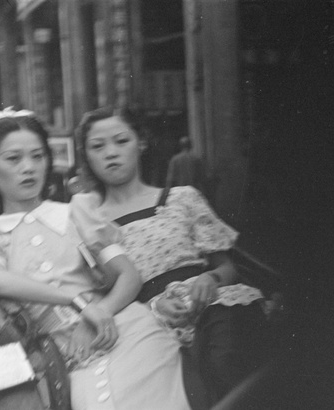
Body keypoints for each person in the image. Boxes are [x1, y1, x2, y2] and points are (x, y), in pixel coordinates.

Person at [0, 108, 193, 410]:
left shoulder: (78, 212)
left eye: (37, 157)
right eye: (13, 159)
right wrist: (76, 300)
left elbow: (128, 275)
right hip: (50, 352)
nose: (29, 168)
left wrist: (101, 310)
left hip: (121, 328)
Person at [75, 107, 273, 403]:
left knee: (225, 359)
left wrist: (211, 278)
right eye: (98, 146)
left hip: (208, 304)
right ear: (87, 156)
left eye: (121, 141)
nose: (110, 153)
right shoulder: (90, 222)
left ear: (140, 143)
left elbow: (227, 266)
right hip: (146, 322)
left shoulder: (181, 198)